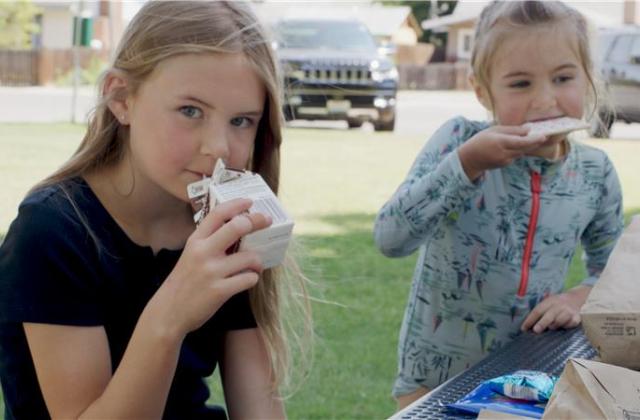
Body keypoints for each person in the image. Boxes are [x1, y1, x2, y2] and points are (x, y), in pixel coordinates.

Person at [0, 1, 311, 419]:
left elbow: (258, 405)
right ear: (121, 98)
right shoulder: (52, 232)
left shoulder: (221, 222)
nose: (218, 147)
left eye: (241, 121)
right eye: (190, 111)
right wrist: (169, 316)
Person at [374, 0, 624, 410]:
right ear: (482, 89)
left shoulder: (595, 173)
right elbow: (390, 239)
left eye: (563, 78)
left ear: (588, 77)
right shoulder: (458, 141)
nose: (545, 101)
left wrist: (575, 299)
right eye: (520, 84)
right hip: (433, 379)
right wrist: (466, 165)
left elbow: (614, 278)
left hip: (528, 379)